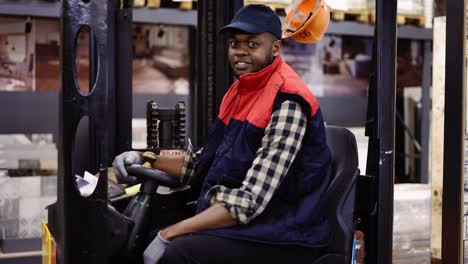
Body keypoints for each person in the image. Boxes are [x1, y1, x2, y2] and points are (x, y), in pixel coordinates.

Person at [113, 4, 331, 264]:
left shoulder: (288, 101)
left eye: (252, 44)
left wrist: (169, 234)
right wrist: (143, 158)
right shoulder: (239, 92)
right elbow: (202, 164)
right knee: (136, 235)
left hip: (282, 234)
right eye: (235, 43)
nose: (240, 51)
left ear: (275, 49)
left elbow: (249, 201)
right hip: (250, 225)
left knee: (177, 253)